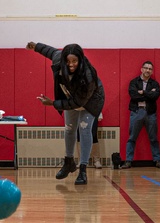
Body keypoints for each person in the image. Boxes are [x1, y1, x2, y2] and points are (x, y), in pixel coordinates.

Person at [26, 41, 104, 185]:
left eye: (74, 61)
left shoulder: (88, 75)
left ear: (80, 60)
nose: (71, 64)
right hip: (71, 98)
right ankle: (69, 163)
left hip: (90, 101)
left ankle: (83, 170)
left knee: (85, 130)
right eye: (68, 61)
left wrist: (53, 103)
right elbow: (49, 51)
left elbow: (79, 103)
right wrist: (36, 46)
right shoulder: (59, 59)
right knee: (69, 129)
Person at [123, 60, 160, 169]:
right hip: (137, 111)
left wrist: (143, 92)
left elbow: (155, 96)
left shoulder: (155, 84)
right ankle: (128, 161)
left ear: (152, 71)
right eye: (146, 68)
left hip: (150, 113)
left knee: (153, 138)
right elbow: (134, 96)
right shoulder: (134, 82)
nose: (148, 70)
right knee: (132, 137)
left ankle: (157, 160)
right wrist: (149, 94)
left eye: (150, 69)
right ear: (142, 69)